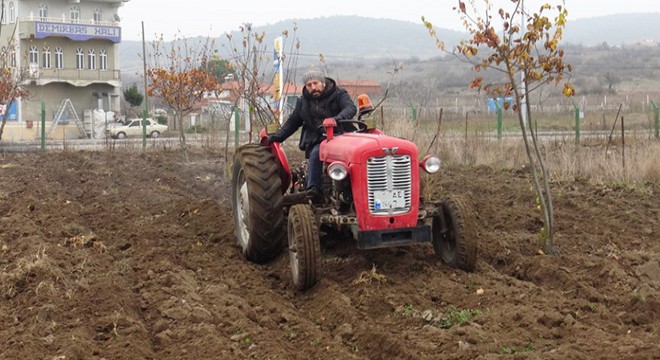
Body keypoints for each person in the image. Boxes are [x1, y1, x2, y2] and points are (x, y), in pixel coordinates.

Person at [268, 68, 357, 202]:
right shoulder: (303, 102)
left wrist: (336, 119)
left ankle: (354, 190)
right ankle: (314, 190)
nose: (313, 87)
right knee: (316, 153)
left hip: (342, 136)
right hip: (319, 139)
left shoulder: (339, 94)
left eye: (315, 83)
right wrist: (277, 137)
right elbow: (293, 122)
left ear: (323, 82)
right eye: (309, 85)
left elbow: (350, 108)